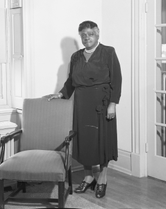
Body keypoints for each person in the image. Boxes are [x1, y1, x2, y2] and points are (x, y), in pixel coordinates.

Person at [45, 20, 122, 199]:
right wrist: (61, 94)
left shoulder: (108, 52)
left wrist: (113, 104)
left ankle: (102, 177)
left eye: (90, 34)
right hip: (81, 103)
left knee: (102, 140)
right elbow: (71, 81)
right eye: (83, 35)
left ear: (97, 33)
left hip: (102, 104)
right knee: (85, 140)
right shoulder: (76, 57)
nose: (87, 38)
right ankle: (88, 176)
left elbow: (117, 80)